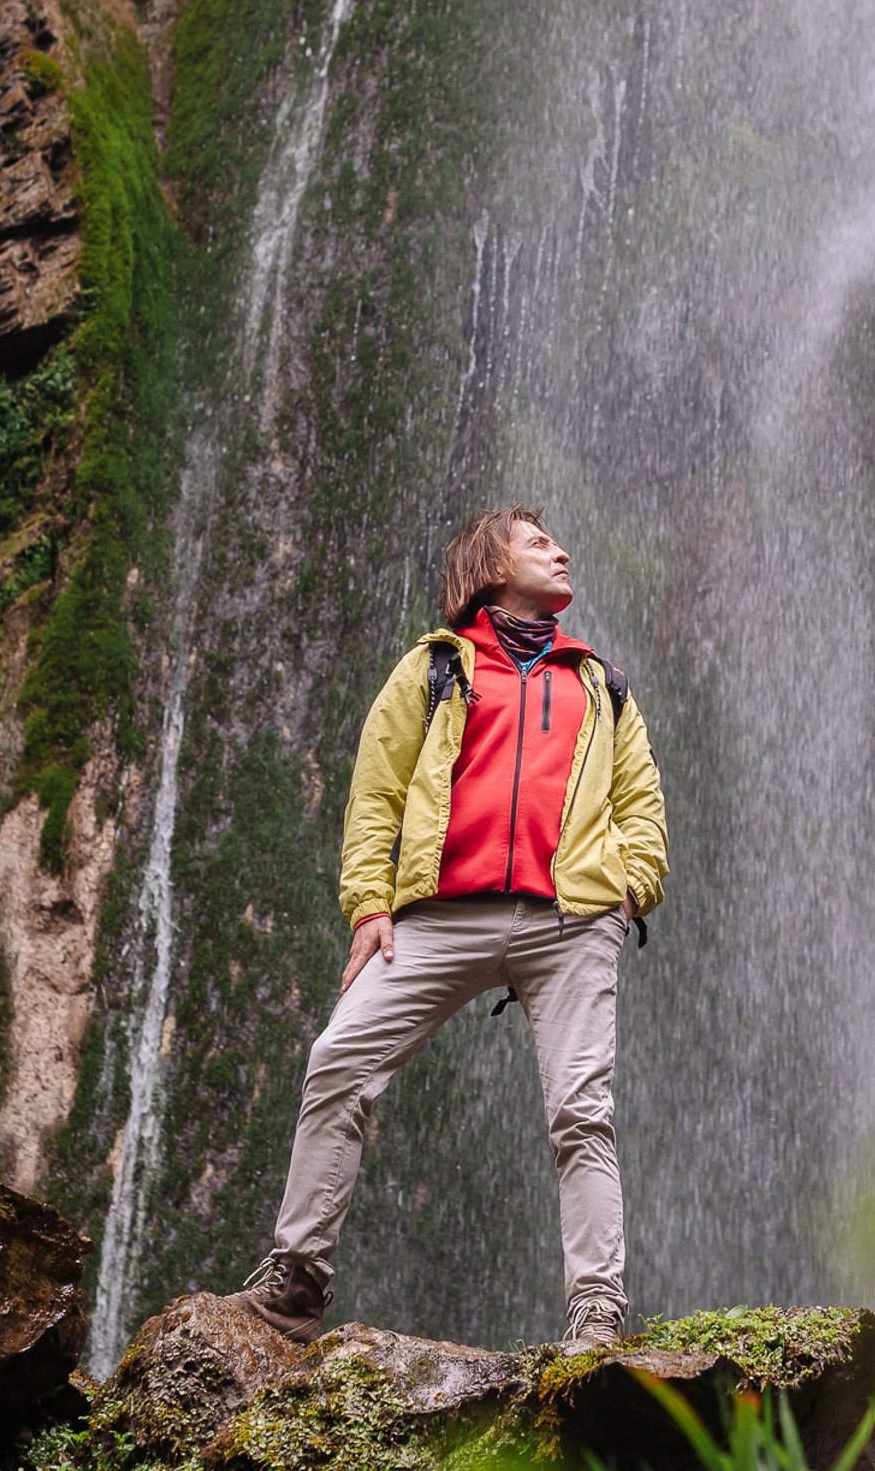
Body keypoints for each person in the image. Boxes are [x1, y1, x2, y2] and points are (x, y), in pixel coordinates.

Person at [226, 506, 668, 1347]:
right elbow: (377, 793)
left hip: (569, 921)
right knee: (338, 1060)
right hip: (439, 916)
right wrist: (368, 906)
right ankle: (295, 1284)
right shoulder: (433, 668)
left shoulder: (601, 685)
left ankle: (598, 1312)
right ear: (488, 565)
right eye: (538, 541)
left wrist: (626, 894)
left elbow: (642, 809)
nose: (561, 549)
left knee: (583, 1111)